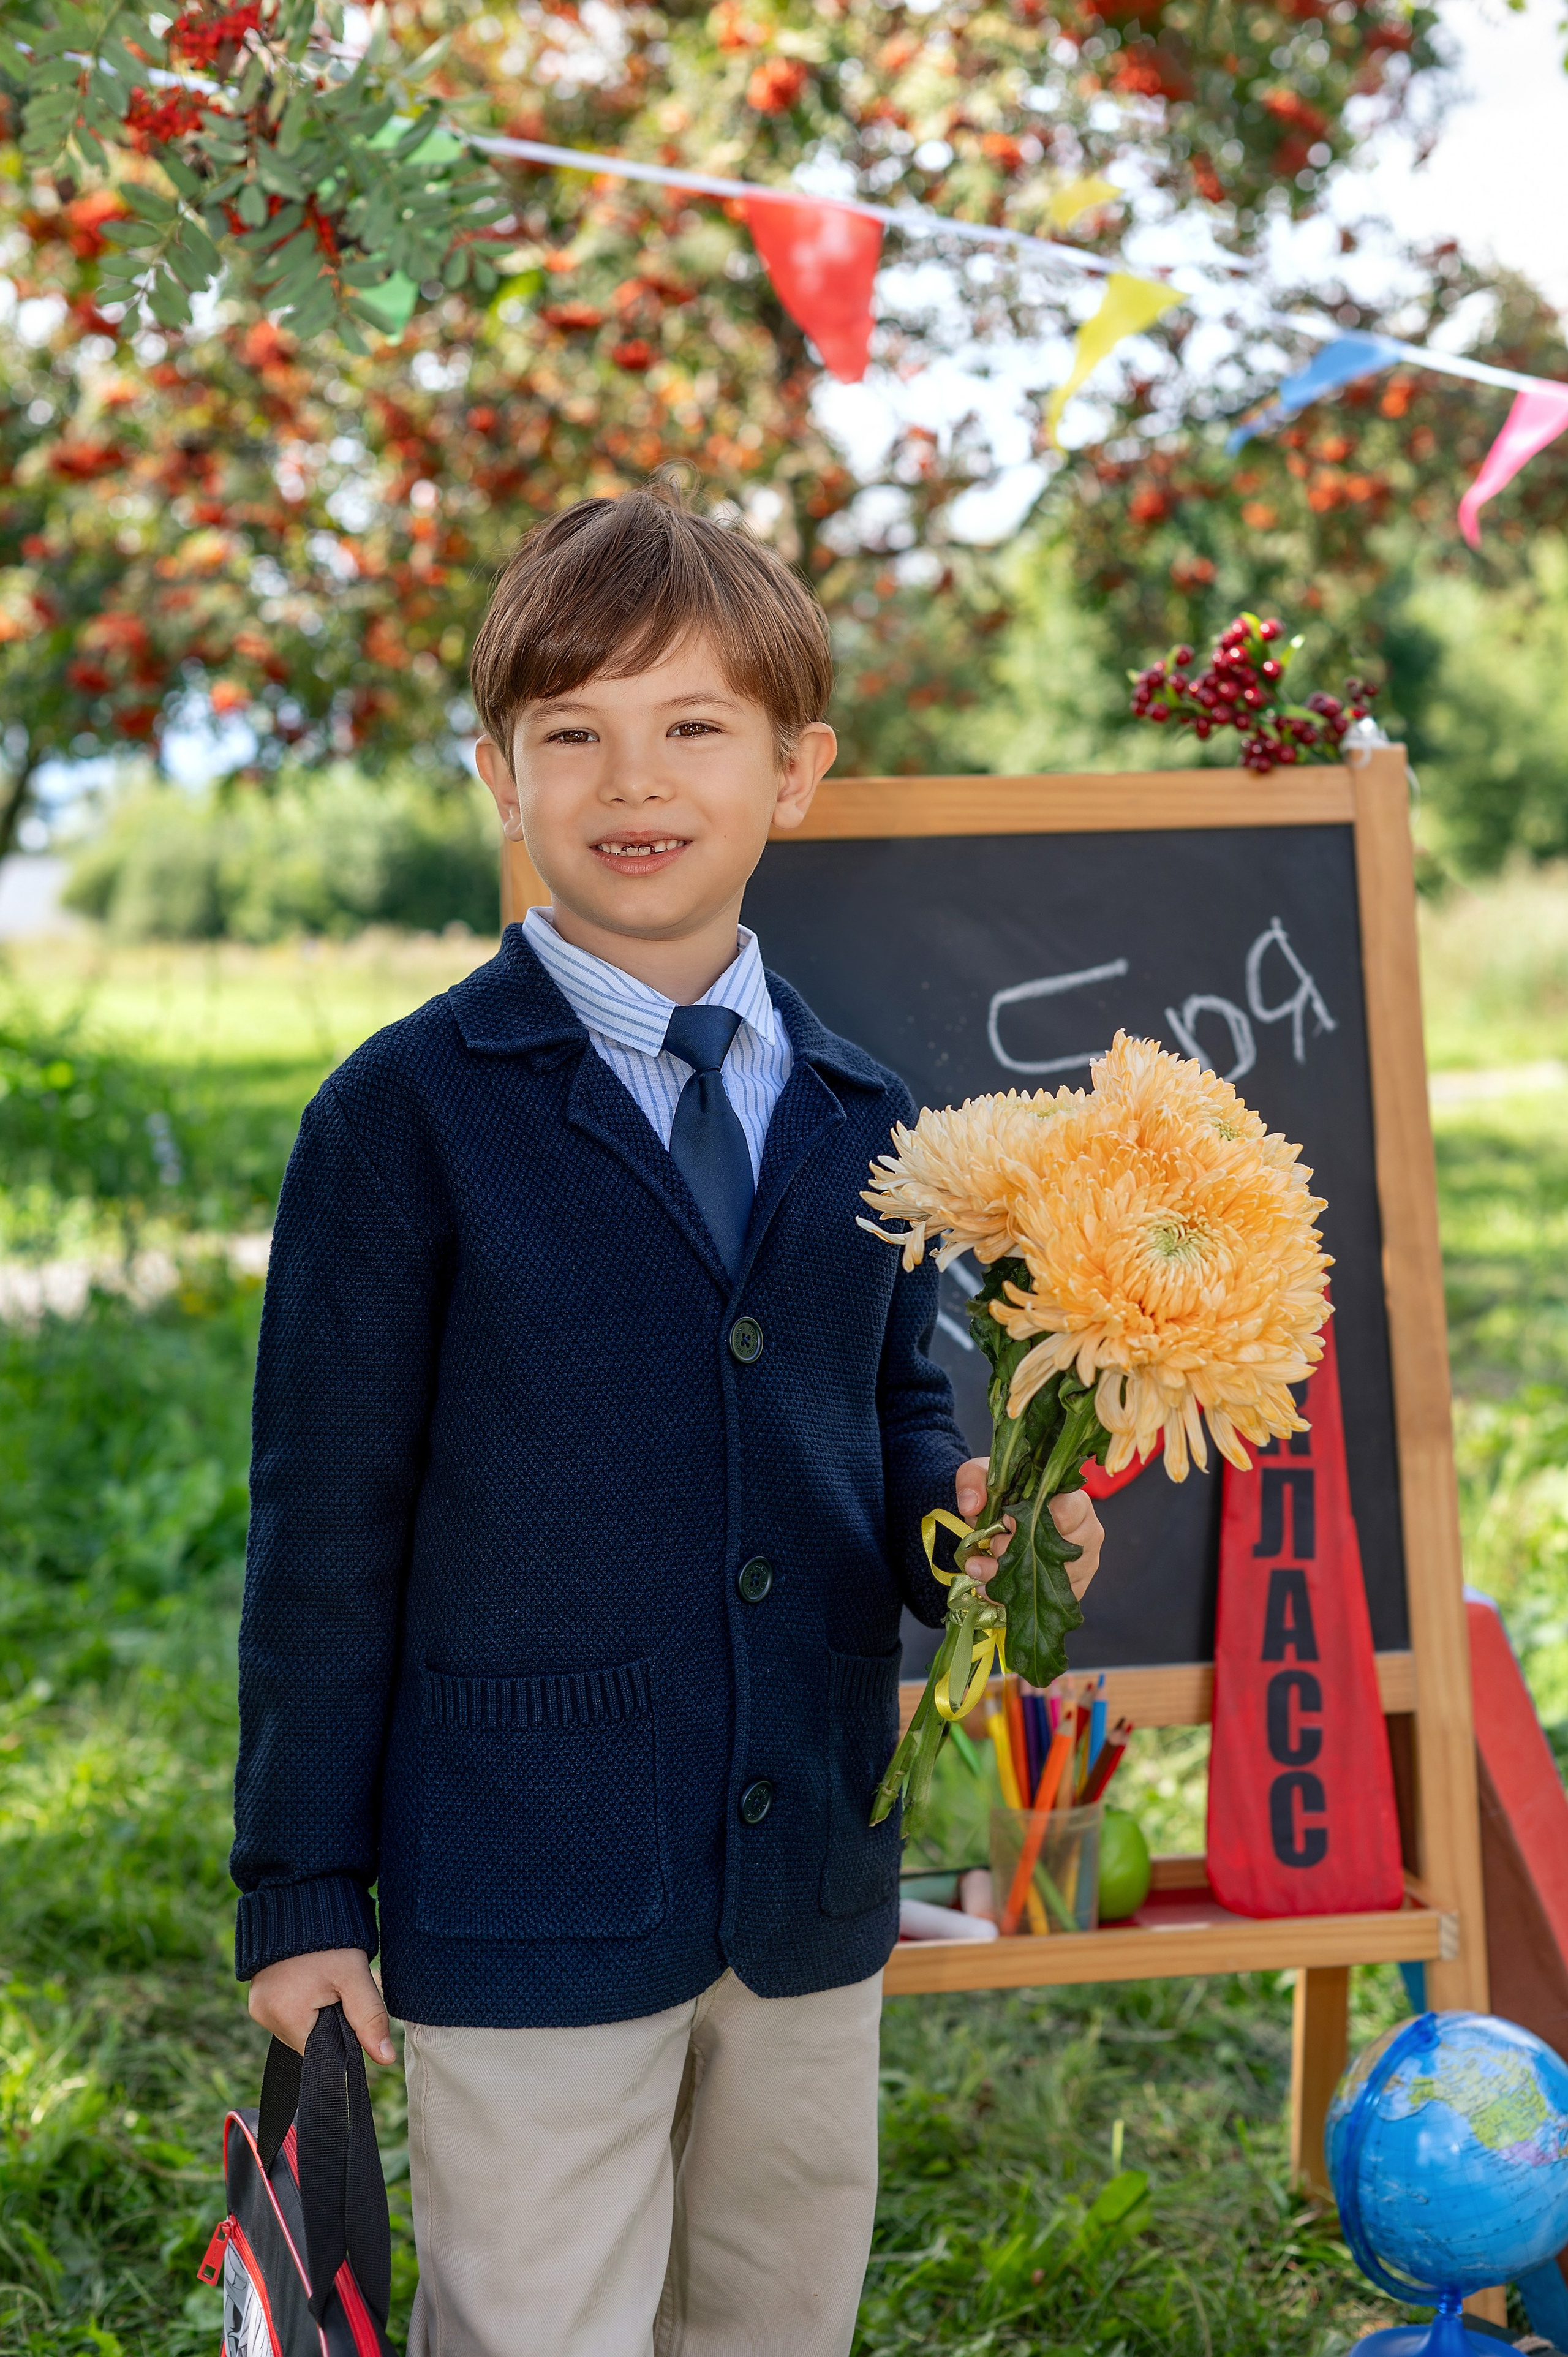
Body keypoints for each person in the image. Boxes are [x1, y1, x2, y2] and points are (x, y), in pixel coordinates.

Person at [232, 483, 1104, 2357]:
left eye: (692, 725)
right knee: (536, 2318)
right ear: (501, 773)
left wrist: (982, 1545)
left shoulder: (876, 1120)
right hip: (524, 1880)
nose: (635, 781)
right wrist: (300, 1890)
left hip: (805, 1889)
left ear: (796, 771)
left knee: (778, 2308)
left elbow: (885, 1423)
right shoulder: (403, 1118)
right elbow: (322, 1527)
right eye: (575, 734)